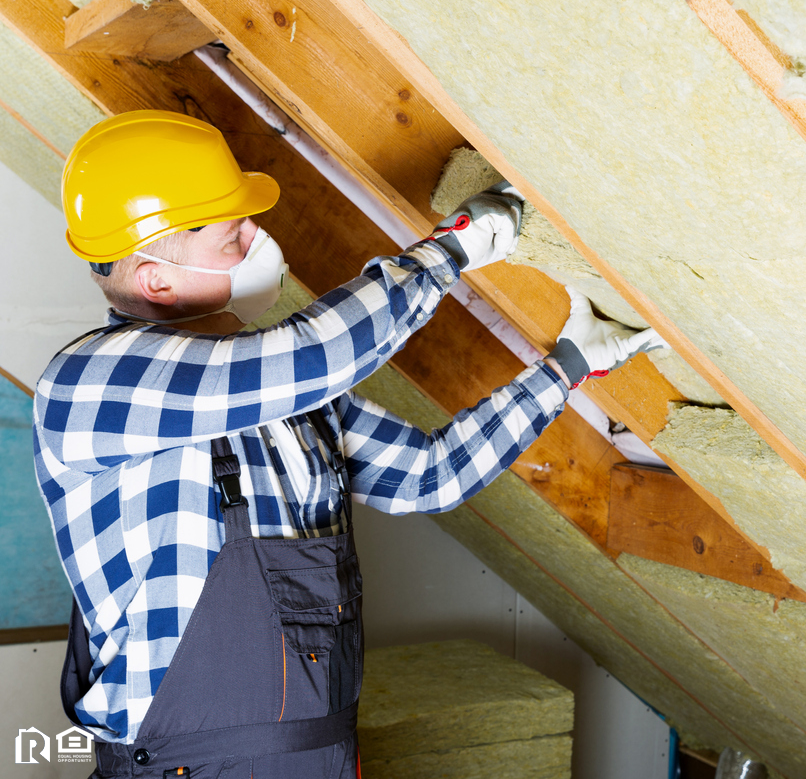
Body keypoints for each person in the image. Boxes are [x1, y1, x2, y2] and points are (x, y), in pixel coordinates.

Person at [34, 110, 663, 778]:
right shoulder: (89, 383)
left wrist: (565, 367)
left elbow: (429, 474)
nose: (256, 238)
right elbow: (315, 354)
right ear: (157, 280)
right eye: (231, 236)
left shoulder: (286, 398)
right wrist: (453, 250)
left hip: (322, 753)